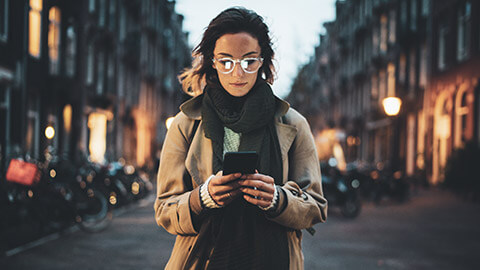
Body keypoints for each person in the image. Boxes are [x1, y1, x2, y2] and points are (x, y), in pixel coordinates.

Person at [154, 7, 327, 270]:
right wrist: (202, 198)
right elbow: (165, 209)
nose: (238, 74)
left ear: (263, 61)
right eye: (226, 61)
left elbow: (315, 207)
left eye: (249, 61)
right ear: (212, 61)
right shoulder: (185, 123)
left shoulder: (293, 123)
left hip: (275, 261)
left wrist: (277, 199)